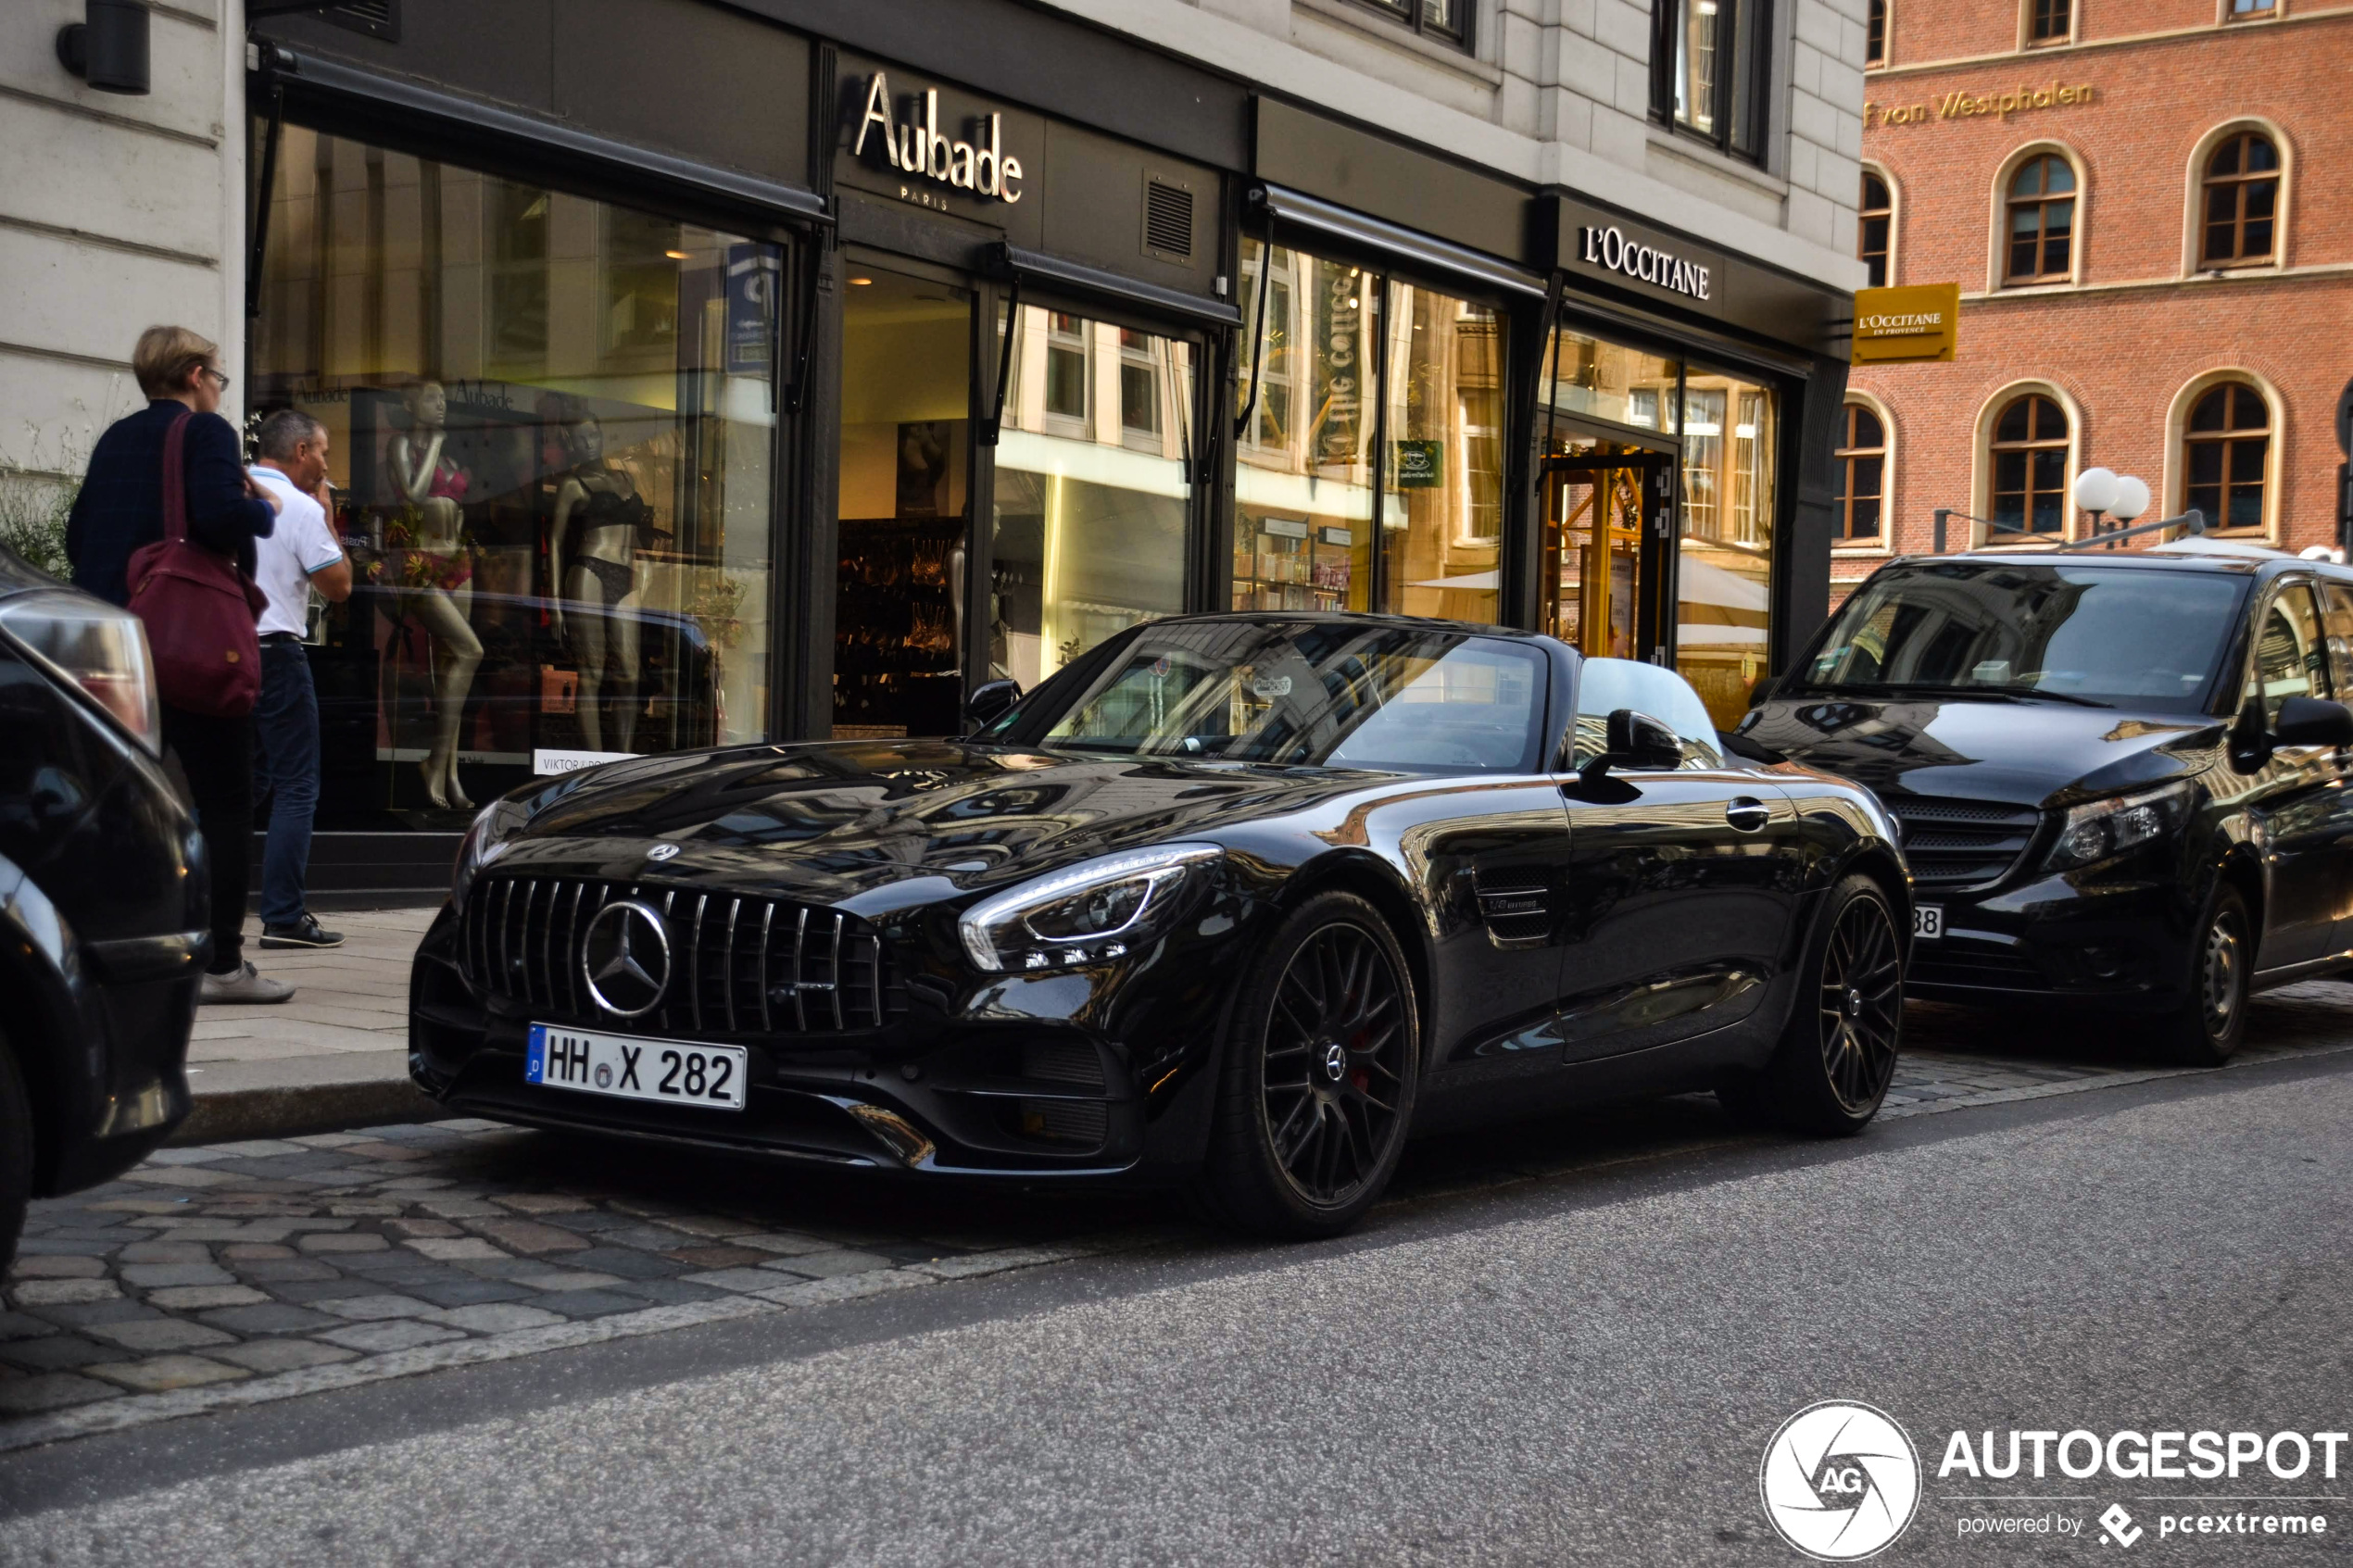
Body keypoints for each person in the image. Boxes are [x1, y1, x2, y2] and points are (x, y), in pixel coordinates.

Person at [65, 326, 293, 1005]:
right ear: (196, 375)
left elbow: (80, 535)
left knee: (124, 803)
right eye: (219, 378)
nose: (219, 390)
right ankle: (222, 964)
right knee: (224, 799)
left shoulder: (115, 439)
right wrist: (264, 506)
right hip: (182, 646)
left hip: (107, 645)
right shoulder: (207, 432)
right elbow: (224, 517)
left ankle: (114, 950)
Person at [247, 408, 353, 950]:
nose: (326, 465)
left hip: (224, 654)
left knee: (239, 785)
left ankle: (190, 899)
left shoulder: (229, 491)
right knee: (296, 786)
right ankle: (284, 915)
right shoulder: (300, 509)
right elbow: (339, 586)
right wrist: (328, 517)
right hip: (276, 655)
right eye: (324, 453)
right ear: (301, 452)